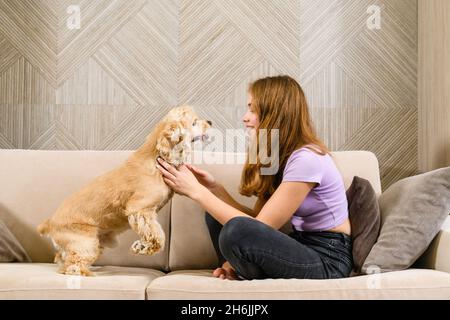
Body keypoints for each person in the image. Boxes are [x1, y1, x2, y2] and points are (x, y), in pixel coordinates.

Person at [156, 75, 353, 280]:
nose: (245, 117)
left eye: (252, 109)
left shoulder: (307, 159)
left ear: (274, 113)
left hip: (328, 258)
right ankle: (238, 268)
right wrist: (215, 190)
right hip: (302, 244)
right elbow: (257, 221)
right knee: (216, 216)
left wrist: (197, 193)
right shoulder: (276, 157)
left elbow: (260, 228)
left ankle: (239, 268)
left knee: (236, 229)